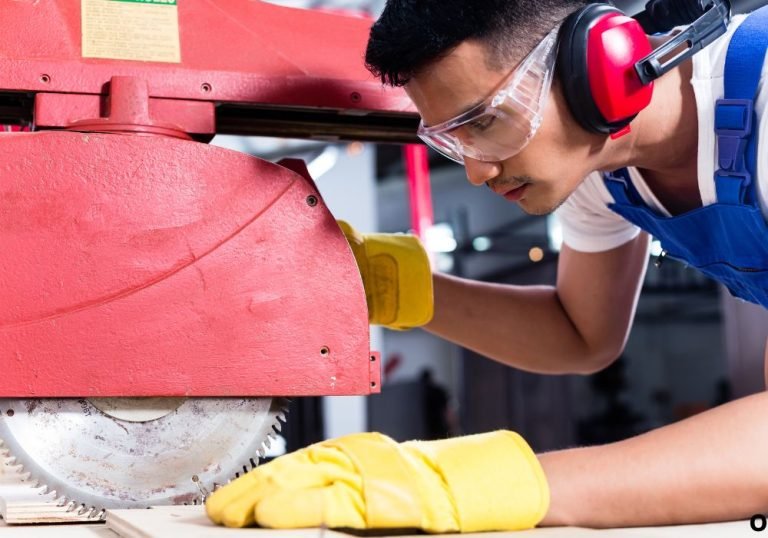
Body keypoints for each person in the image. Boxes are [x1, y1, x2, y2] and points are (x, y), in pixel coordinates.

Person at [206, 0, 768, 532]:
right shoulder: (601, 173)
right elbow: (579, 332)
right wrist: (384, 284)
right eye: (454, 143)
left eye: (485, 122)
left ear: (600, 63)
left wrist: (487, 483)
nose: (477, 173)